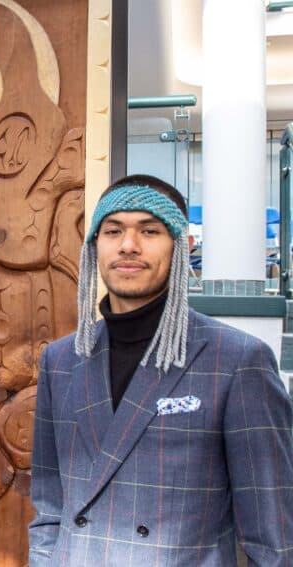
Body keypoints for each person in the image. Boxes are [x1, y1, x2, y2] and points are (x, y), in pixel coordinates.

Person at [28, 174, 293, 566]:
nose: (128, 245)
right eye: (113, 230)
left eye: (150, 230)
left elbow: (272, 538)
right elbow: (50, 505)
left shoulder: (237, 360)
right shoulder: (62, 359)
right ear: (94, 246)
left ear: (182, 246)